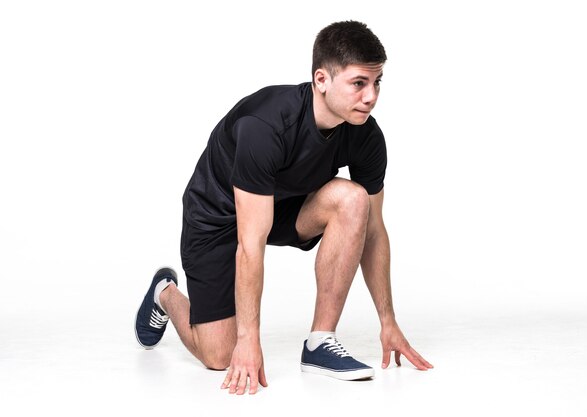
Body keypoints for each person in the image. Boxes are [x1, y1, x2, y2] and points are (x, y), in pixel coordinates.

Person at [134, 20, 433, 395]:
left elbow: (374, 232)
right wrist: (248, 338)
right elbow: (250, 244)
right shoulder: (266, 127)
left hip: (285, 204)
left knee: (355, 200)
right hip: (217, 216)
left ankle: (320, 343)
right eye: (359, 83)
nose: (371, 96)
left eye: (377, 83)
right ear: (321, 79)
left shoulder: (366, 136)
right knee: (218, 355)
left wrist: (388, 321)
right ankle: (165, 292)